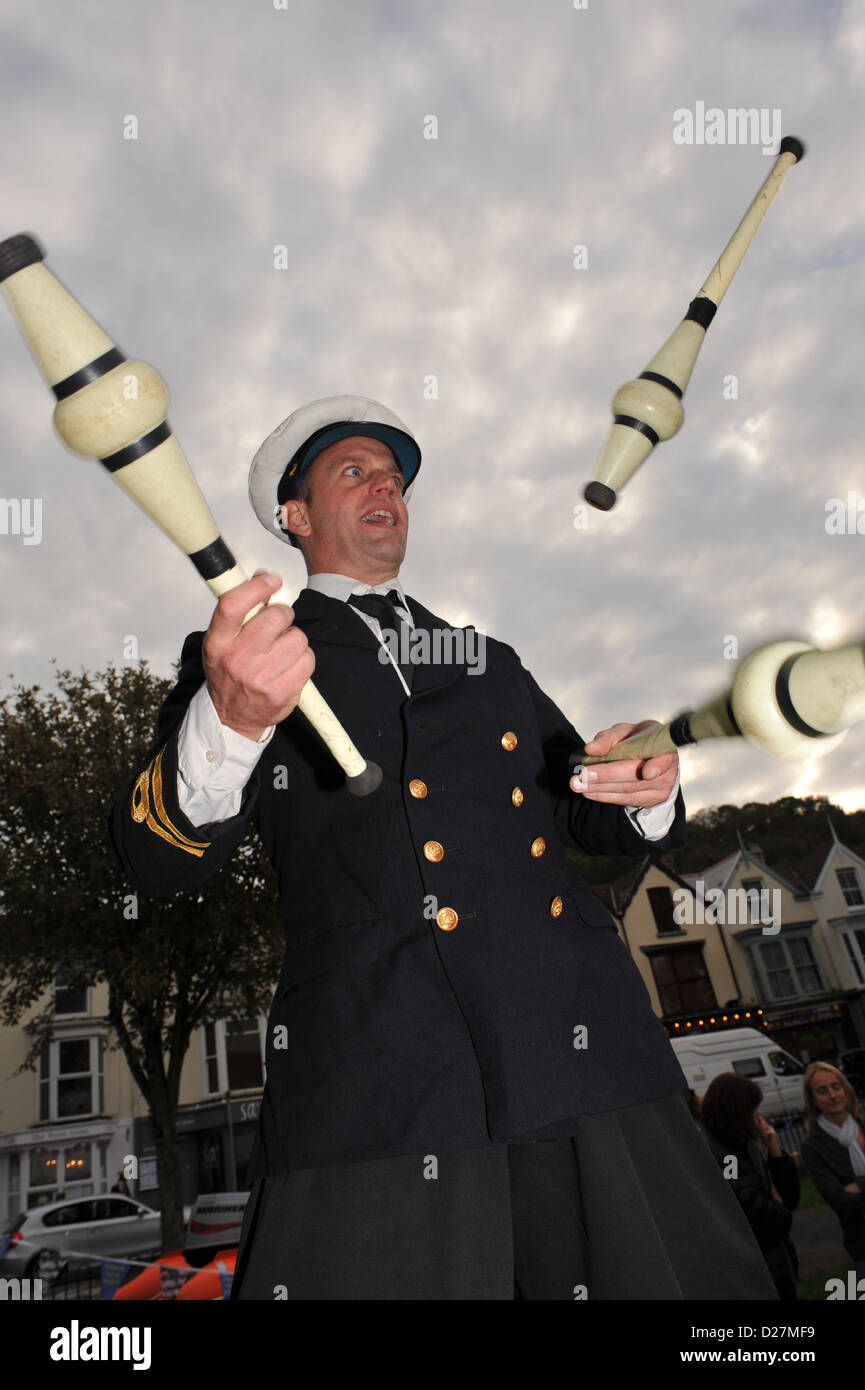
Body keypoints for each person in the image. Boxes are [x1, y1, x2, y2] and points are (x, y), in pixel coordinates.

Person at [110, 395, 778, 1300]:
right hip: (379, 1070)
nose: (385, 484)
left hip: (580, 1048)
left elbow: (585, 814)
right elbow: (156, 860)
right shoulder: (240, 659)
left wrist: (645, 790)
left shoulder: (487, 659)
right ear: (295, 517)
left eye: (394, 477)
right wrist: (228, 720)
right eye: (354, 470)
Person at [700, 1072, 800, 1300]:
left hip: (776, 1264)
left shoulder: (746, 1145)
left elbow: (789, 1200)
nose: (758, 1115)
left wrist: (775, 1152)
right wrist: (779, 1208)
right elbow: (753, 1209)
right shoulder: (726, 1156)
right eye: (752, 1108)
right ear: (737, 1110)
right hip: (757, 1271)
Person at [800, 1061, 865, 1282]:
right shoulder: (813, 1147)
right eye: (822, 1090)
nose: (832, 1095)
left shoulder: (864, 1127)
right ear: (814, 1100)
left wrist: (858, 1186)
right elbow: (842, 1203)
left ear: (845, 1090)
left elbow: (851, 1196)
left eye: (836, 1087)